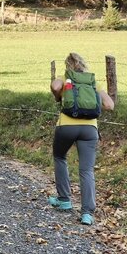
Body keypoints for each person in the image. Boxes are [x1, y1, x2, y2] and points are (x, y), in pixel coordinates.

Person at [49, 52, 115, 225]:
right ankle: (87, 213)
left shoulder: (65, 78)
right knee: (87, 170)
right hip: (89, 129)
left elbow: (55, 87)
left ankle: (64, 199)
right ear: (84, 64)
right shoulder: (93, 82)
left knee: (60, 157)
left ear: (67, 65)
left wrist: (59, 97)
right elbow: (109, 105)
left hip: (66, 127)